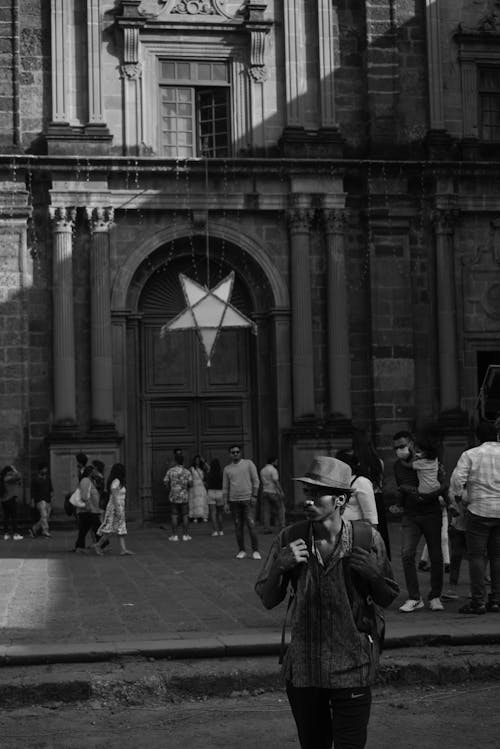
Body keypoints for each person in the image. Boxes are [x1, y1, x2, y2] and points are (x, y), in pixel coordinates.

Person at [255, 456, 398, 749]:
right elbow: (269, 600)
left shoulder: (366, 539)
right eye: (307, 493)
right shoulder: (289, 540)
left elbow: (387, 597)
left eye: (318, 493)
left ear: (340, 500)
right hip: (305, 670)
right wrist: (281, 567)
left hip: (353, 666)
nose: (309, 500)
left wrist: (374, 574)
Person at [392, 430, 447, 613]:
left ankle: (435, 596)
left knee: (436, 555)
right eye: (396, 448)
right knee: (407, 554)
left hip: (431, 512)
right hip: (411, 514)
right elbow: (402, 486)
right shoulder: (398, 466)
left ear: (412, 444)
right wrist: (414, 494)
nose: (399, 450)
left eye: (402, 446)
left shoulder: (431, 460)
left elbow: (441, 483)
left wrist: (428, 494)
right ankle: (414, 597)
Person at [449, 418, 500, 614]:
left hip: (479, 509)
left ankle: (478, 601)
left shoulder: (470, 454)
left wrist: (459, 501)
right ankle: (496, 599)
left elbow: (456, 480)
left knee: (476, 556)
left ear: (477, 436)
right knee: (497, 557)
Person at [352, 427, 391, 559]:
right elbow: (381, 482)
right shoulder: (378, 462)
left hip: (365, 498)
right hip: (378, 499)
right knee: (381, 535)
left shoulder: (357, 464)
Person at [222, 445, 261, 560]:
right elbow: (225, 487)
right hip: (234, 501)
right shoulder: (227, 469)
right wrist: (225, 502)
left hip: (248, 499)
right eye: (233, 452)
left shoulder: (249, 464)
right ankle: (242, 550)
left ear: (240, 453)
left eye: (237, 452)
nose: (235, 454)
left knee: (251, 525)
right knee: (238, 526)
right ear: (230, 454)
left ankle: (255, 550)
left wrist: (254, 495)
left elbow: (256, 480)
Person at [94, 463, 133, 556]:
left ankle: (123, 549)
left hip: (119, 507)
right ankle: (98, 545)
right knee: (109, 530)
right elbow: (114, 497)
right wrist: (118, 510)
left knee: (121, 528)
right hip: (114, 508)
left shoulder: (118, 481)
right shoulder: (116, 482)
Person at [335, 449, 378, 526]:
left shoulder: (361, 482)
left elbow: (370, 514)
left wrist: (371, 533)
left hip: (357, 528)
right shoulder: (338, 482)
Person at [163, 449, 193, 542]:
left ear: (175, 461)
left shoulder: (170, 471)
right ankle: (185, 535)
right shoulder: (187, 472)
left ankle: (174, 535)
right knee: (185, 515)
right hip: (184, 495)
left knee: (174, 515)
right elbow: (191, 484)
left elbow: (165, 482)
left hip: (174, 495)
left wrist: (170, 488)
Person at [74, 464, 102, 553]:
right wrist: (88, 505)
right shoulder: (85, 480)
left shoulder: (90, 481)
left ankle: (79, 547)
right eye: (94, 472)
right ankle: (102, 543)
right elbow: (84, 495)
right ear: (90, 473)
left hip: (89, 510)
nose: (95, 473)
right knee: (97, 527)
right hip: (88, 510)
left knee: (84, 529)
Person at [260, 456, 286, 534]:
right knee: (280, 509)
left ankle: (266, 528)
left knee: (266, 511)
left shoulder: (262, 470)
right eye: (276, 461)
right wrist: (281, 491)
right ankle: (282, 526)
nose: (277, 463)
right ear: (273, 461)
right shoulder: (273, 470)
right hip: (273, 491)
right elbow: (276, 481)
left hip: (265, 491)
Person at [29, 463, 53, 538]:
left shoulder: (47, 478)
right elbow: (32, 491)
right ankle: (45, 530)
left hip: (47, 499)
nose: (45, 470)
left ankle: (34, 528)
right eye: (44, 469)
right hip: (39, 499)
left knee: (46, 517)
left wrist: (52, 497)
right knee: (44, 515)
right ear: (40, 470)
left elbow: (51, 488)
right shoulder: (35, 479)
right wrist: (32, 500)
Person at [0, 465, 23, 540]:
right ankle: (15, 534)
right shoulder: (8, 478)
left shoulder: (4, 478)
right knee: (14, 517)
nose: (12, 472)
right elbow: (19, 476)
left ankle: (6, 534)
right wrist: (14, 469)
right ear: (9, 471)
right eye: (11, 471)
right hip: (10, 499)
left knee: (6, 517)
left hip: (4, 500)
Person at [206, 458, 226, 536]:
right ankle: (221, 531)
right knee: (220, 513)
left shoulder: (209, 474)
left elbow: (206, 483)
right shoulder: (221, 474)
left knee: (213, 513)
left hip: (211, 492)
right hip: (220, 492)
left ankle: (214, 531)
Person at [188, 454, 209, 522]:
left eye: (198, 460)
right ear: (194, 461)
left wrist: (204, 461)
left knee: (202, 501)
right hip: (194, 487)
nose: (197, 461)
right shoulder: (191, 468)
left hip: (201, 486)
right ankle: (195, 517)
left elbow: (209, 468)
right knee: (195, 502)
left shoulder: (202, 468)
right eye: (196, 460)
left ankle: (204, 516)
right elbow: (188, 476)